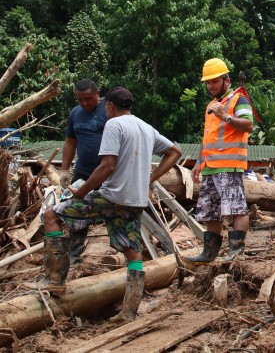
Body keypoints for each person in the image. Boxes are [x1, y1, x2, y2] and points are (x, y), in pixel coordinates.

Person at [25, 87, 181, 324]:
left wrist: (83, 191)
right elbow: (175, 151)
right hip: (134, 200)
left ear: (109, 105)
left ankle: (54, 281)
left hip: (110, 196)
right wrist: (150, 179)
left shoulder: (114, 125)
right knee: (132, 250)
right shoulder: (146, 127)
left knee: (51, 215)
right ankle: (129, 312)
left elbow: (107, 165)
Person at [186, 58, 253, 264]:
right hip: (210, 167)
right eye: (208, 82)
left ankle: (235, 252)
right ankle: (209, 253)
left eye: (214, 81)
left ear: (226, 80)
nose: (210, 86)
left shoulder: (238, 100)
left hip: (230, 166)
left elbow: (248, 124)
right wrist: (199, 161)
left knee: (236, 209)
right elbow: (207, 136)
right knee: (210, 212)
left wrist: (226, 116)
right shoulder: (212, 105)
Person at [59, 79, 108, 264]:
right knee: (76, 211)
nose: (84, 103)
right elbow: (70, 141)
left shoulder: (109, 110)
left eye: (88, 99)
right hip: (83, 171)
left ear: (98, 93)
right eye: (80, 100)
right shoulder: (75, 113)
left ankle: (131, 251)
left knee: (117, 211)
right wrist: (65, 169)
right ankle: (74, 255)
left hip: (107, 172)